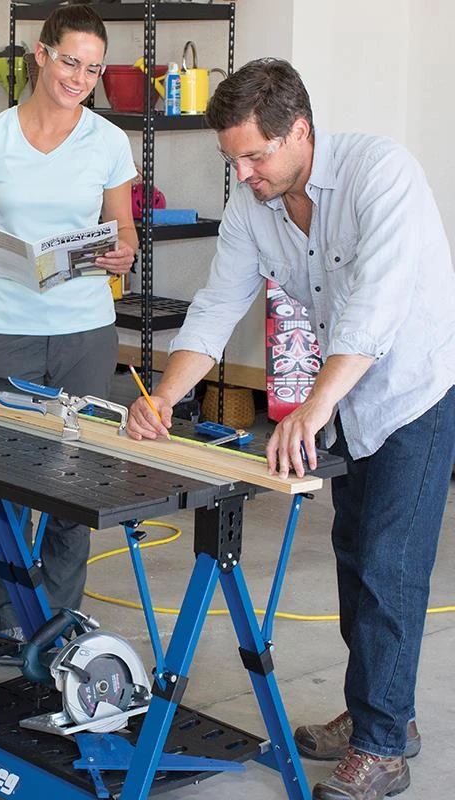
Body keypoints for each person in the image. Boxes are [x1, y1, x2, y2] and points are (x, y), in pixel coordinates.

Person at [126, 58, 455, 800]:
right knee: (353, 557)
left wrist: (313, 404)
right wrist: (166, 398)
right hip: (347, 395)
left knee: (390, 566)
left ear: (299, 131)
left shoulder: (381, 174)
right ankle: (382, 713)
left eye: (254, 156)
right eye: (233, 160)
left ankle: (382, 746)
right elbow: (218, 304)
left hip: (413, 392)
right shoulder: (255, 204)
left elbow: (376, 308)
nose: (243, 174)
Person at [0, 5, 138, 639]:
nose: (80, 78)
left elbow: (124, 230)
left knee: (73, 475)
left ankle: (58, 620)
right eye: (70, 62)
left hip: (86, 327)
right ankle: (9, 617)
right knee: (6, 472)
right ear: (41, 53)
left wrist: (123, 250)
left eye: (93, 69)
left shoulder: (108, 141)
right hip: (9, 326)